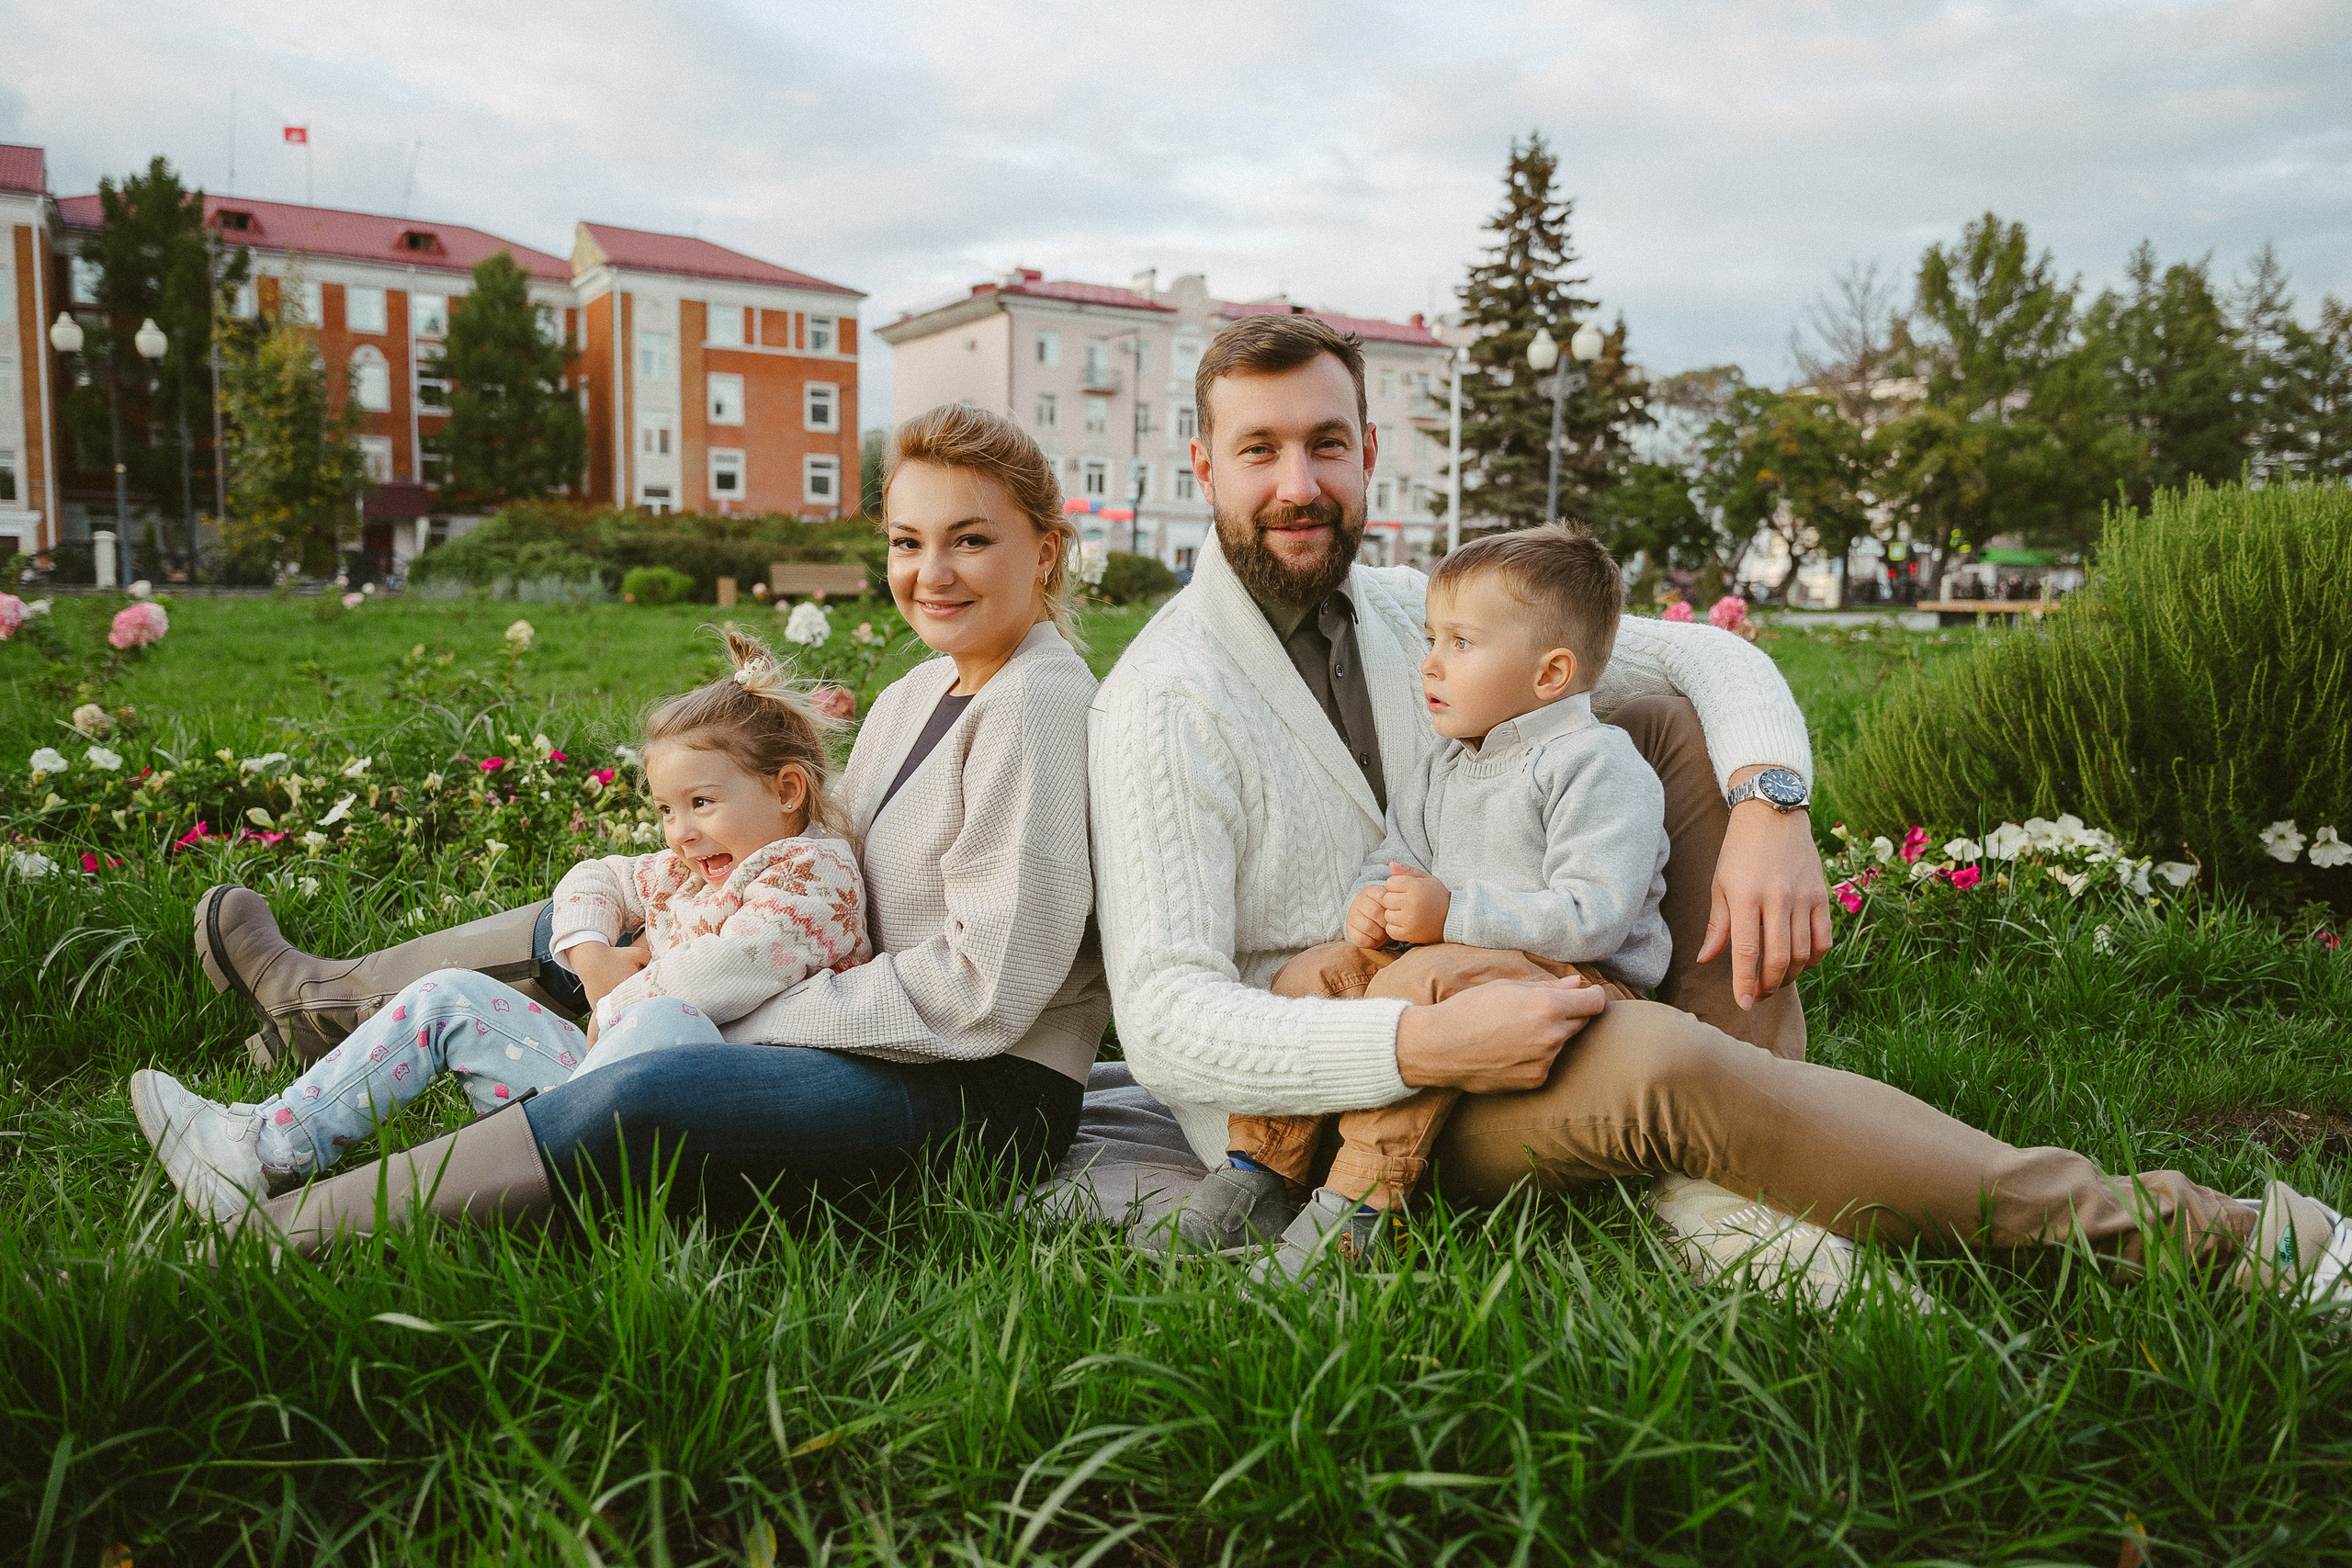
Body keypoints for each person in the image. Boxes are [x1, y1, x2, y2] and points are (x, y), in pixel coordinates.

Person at [1088, 312, 2351, 1303]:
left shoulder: (1413, 606)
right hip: (1354, 1095)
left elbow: (1702, 656)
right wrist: (1420, 1050)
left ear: (1368, 452)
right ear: (1203, 464)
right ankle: (2225, 1243)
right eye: (1259, 449)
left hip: (1514, 966)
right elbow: (1165, 1021)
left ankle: (1749, 1128)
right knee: (1674, 1068)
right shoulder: (1164, 696)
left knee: (1650, 721)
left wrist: (1772, 804)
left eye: (1324, 443)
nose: (1297, 481)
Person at [186, 403, 1109, 1251]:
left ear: (1045, 552)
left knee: (659, 1088)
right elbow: (828, 857)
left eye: (971, 540)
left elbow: (983, 992)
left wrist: (731, 1002)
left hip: (974, 1089)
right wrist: (680, 909)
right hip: (868, 1014)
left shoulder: (1036, 705)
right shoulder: (921, 687)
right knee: (599, 921)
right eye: (908, 542)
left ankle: (268, 1233)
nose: (930, 573)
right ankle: (327, 1004)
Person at [132, 628, 871, 1218]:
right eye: (665, 809)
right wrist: (592, 957)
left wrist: (619, 1002)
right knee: (448, 995)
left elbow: (729, 969)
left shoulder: (812, 876)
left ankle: (499, 1177)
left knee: (666, 1025)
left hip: (715, 1116)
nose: (679, 832)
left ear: (787, 789)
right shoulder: (691, 865)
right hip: (607, 1092)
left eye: (700, 804)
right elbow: (601, 875)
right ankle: (263, 1146)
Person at [1198, 526, 1671, 1274]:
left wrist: (1449, 913)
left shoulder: (1597, 765)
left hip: (1581, 986)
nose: (1431, 663)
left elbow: (1596, 914)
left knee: (1421, 986)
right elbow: (1395, 859)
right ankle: (1261, 1171)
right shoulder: (1446, 764)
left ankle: (1359, 1213)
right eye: (1431, 638)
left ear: (1551, 673)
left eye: (1461, 643)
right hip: (1457, 964)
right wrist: (1373, 904)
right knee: (1311, 973)